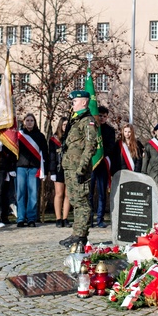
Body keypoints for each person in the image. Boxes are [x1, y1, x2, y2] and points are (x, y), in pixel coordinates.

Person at [59, 90, 98, 248]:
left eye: (74, 101)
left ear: (83, 102)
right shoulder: (76, 120)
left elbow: (91, 147)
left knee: (81, 201)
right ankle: (76, 233)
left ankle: (81, 235)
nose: (72, 104)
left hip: (79, 169)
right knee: (75, 200)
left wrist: (82, 168)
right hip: (71, 167)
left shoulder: (88, 121)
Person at [16, 113, 48, 227]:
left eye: (31, 120)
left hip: (35, 168)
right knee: (20, 193)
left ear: (35, 122)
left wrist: (46, 170)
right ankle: (20, 218)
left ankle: (31, 218)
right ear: (24, 122)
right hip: (20, 167)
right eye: (27, 120)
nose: (29, 122)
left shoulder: (40, 136)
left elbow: (45, 153)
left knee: (33, 194)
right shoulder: (19, 135)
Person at [90, 106, 116, 228]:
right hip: (91, 162)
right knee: (89, 192)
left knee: (101, 192)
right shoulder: (91, 128)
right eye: (100, 115)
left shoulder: (110, 130)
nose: (102, 118)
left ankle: (100, 219)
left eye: (104, 116)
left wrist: (102, 154)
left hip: (103, 163)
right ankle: (89, 219)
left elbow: (111, 146)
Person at [48, 117, 70, 228]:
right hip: (58, 169)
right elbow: (52, 157)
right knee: (59, 193)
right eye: (64, 124)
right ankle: (58, 218)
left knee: (68, 194)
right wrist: (52, 171)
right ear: (60, 125)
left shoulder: (71, 138)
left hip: (69, 169)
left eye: (67, 124)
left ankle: (65, 218)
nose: (65, 126)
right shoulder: (54, 139)